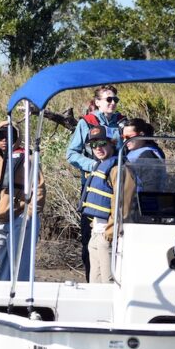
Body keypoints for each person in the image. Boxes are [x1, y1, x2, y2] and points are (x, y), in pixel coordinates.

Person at [65, 85, 125, 281]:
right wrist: (95, 166)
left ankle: (113, 283)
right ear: (97, 102)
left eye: (115, 99)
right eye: (108, 99)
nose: (113, 103)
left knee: (114, 238)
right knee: (89, 239)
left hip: (116, 185)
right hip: (93, 187)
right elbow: (71, 153)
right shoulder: (87, 123)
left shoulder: (122, 123)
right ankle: (92, 282)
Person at [0, 125, 46, 281]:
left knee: (20, 265)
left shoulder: (27, 159)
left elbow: (39, 188)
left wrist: (30, 214)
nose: (4, 140)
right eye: (0, 136)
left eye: (9, 136)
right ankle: (3, 295)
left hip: (19, 217)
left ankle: (21, 298)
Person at [103, 118, 168, 244]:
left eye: (130, 136)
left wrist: (145, 220)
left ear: (142, 135)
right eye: (123, 136)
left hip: (141, 215)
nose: (126, 140)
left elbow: (152, 189)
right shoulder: (135, 153)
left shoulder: (147, 156)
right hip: (133, 212)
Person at [79, 127, 118, 283]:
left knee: (108, 282)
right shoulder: (98, 165)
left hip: (107, 234)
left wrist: (111, 229)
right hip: (96, 232)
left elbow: (122, 202)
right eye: (93, 145)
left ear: (112, 143)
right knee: (94, 282)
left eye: (102, 143)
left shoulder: (116, 168)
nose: (98, 148)